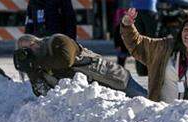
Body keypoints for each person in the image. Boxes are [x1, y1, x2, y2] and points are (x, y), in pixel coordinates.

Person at [120, 8, 188, 102]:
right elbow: (138, 44)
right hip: (163, 115)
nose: (187, 33)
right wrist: (128, 26)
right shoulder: (164, 48)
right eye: (185, 29)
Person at [13, 33, 144, 98]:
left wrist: (36, 63)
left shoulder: (57, 41)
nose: (31, 50)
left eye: (31, 44)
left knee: (152, 103)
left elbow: (65, 61)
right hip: (99, 99)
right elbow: (42, 93)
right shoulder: (39, 68)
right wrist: (31, 70)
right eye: (25, 51)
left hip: (115, 78)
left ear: (37, 40)